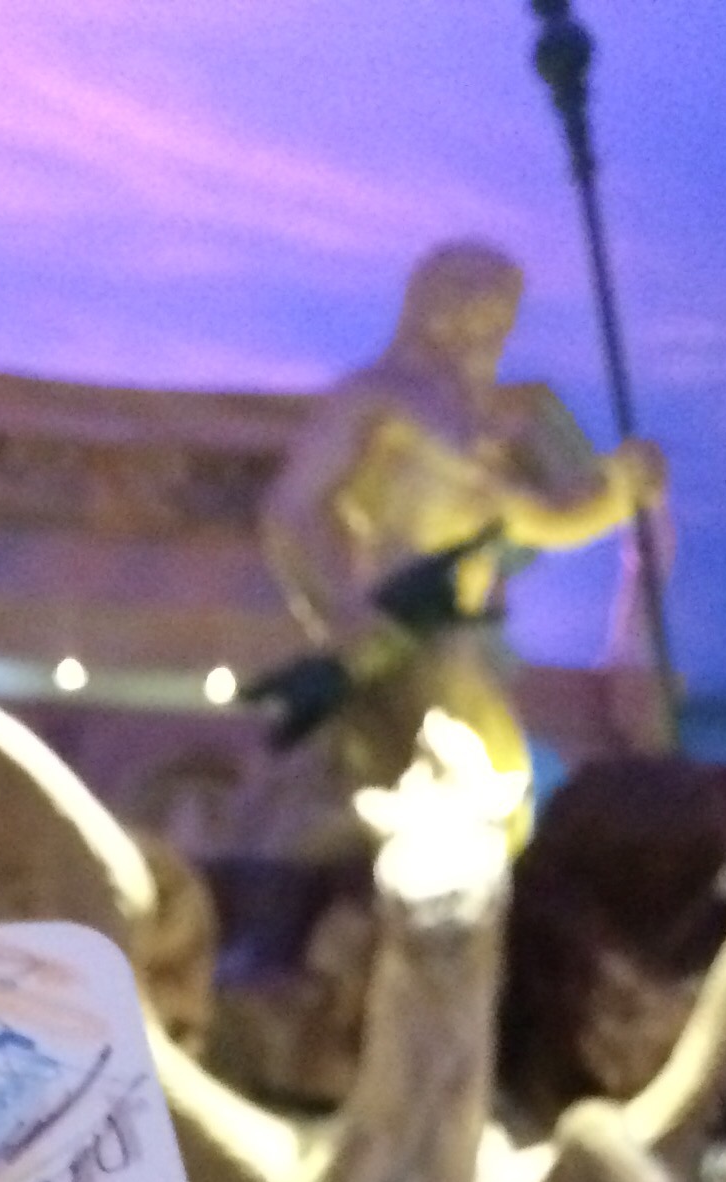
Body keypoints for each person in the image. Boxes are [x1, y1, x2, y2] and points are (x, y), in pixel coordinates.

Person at [260, 239, 667, 812]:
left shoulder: (475, 427)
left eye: (504, 315)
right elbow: (292, 509)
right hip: (402, 623)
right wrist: (339, 609)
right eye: (485, 309)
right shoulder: (377, 397)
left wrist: (617, 491)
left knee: (499, 791)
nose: (497, 330)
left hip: (465, 637)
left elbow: (534, 517)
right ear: (441, 306)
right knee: (462, 785)